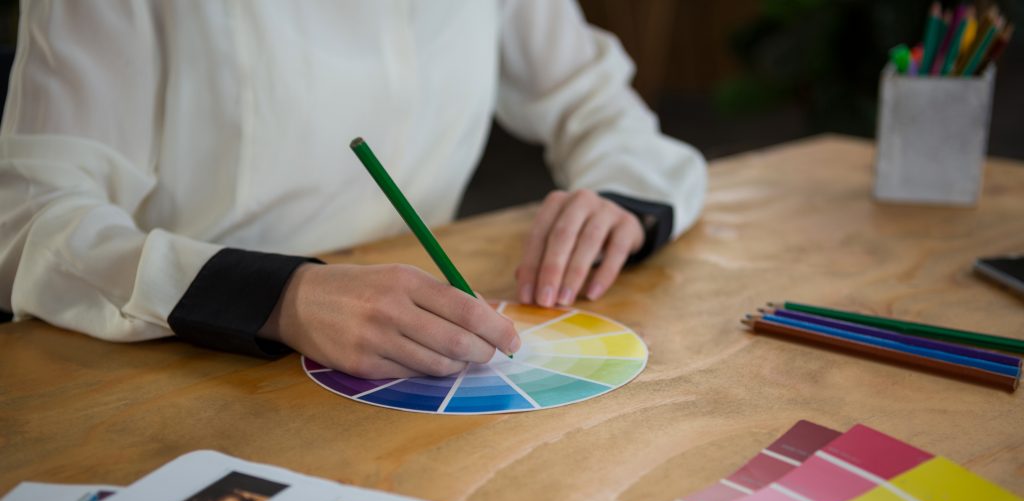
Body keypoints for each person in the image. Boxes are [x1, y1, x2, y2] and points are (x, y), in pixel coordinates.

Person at [0, 1, 706, 379]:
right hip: (183, 363)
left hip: (421, 355)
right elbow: (29, 221)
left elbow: (597, 104)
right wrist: (280, 296)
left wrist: (623, 198)